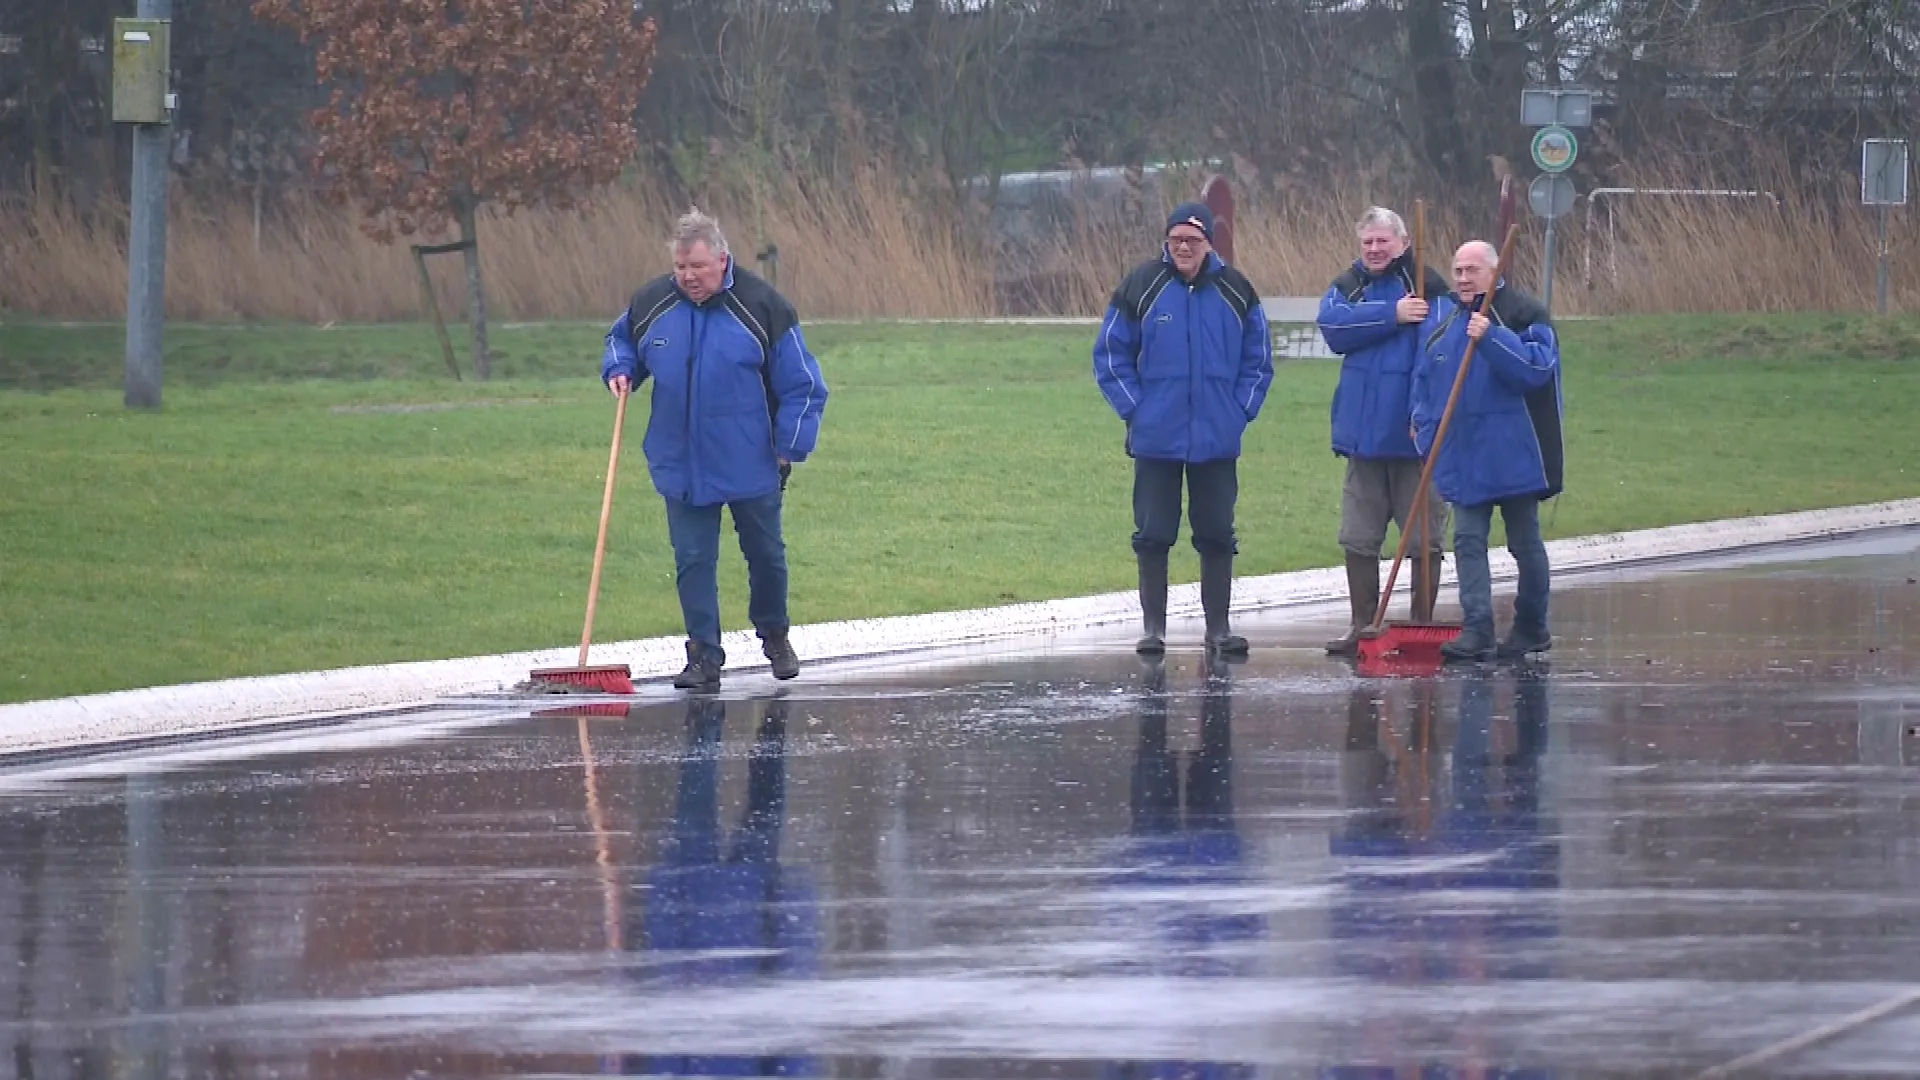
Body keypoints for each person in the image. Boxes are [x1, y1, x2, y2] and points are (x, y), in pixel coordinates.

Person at [602, 209, 828, 690]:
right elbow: (622, 341)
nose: (689, 277)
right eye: (681, 268)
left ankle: (774, 635)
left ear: (722, 260)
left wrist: (790, 448)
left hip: (754, 460)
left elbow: (804, 385)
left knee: (766, 555)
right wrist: (619, 369)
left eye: (698, 267)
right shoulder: (652, 303)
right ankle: (703, 653)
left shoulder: (762, 305)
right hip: (680, 461)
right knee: (692, 560)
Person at [1093, 202, 1275, 656]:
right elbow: (1110, 355)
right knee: (1153, 534)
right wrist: (1137, 411)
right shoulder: (1142, 285)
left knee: (1216, 533)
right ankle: (1153, 630)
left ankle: (1219, 631)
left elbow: (1259, 360)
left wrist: (1239, 412)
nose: (1183, 249)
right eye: (1175, 241)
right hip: (1157, 440)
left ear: (1209, 243)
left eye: (1192, 241)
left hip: (1217, 439)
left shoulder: (1236, 290)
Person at [1412, 241, 1563, 662]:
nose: (1462, 278)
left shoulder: (1524, 314)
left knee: (1524, 543)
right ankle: (1476, 628)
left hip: (1516, 455)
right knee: (1467, 540)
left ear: (1495, 271)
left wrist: (1492, 337)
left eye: (1471, 270)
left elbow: (1536, 369)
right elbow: (1424, 384)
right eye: (1457, 270)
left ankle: (1532, 626)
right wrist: (1422, 429)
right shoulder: (1444, 326)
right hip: (1465, 457)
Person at [1317, 207, 1454, 655]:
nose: (1374, 250)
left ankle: (1420, 626)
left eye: (1383, 242)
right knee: (1358, 535)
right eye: (1367, 243)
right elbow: (1334, 328)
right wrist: (1391, 315)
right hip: (1363, 438)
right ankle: (1362, 625)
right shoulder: (1349, 286)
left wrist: (1426, 419)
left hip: (1415, 441)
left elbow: (1440, 356)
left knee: (1424, 539)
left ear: (1403, 243)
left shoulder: (1428, 287)